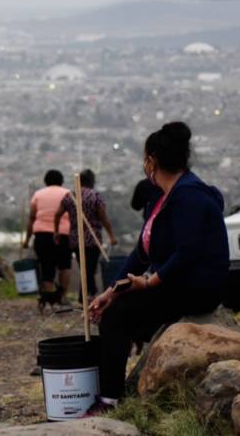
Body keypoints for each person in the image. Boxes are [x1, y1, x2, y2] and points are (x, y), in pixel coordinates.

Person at [85, 122, 230, 414]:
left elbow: (187, 253)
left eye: (144, 158)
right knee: (114, 308)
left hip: (197, 287)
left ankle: (110, 399)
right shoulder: (160, 197)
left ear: (151, 161)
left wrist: (150, 283)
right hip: (175, 283)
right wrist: (112, 291)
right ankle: (119, 389)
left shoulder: (189, 195)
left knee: (116, 318)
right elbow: (141, 252)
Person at [55, 169, 117, 303]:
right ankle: (87, 296)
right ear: (91, 181)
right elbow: (103, 217)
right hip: (92, 238)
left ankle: (86, 295)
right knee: (89, 268)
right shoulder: (94, 196)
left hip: (75, 238)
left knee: (85, 267)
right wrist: (111, 235)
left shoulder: (71, 195)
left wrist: (56, 231)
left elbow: (57, 214)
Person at [23, 169, 72, 305]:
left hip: (42, 236)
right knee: (65, 265)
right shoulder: (67, 193)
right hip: (63, 234)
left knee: (46, 266)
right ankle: (63, 296)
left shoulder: (38, 194)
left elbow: (32, 218)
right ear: (61, 181)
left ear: (45, 181)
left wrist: (27, 240)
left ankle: (50, 298)